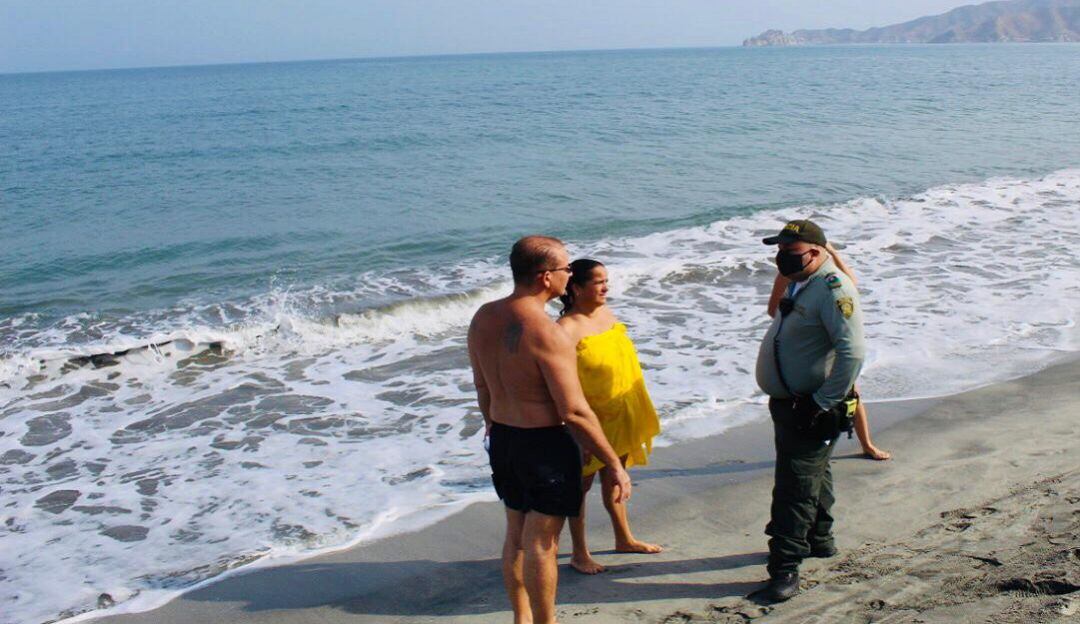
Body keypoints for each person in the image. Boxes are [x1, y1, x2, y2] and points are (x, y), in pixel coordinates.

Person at [468, 236, 632, 624]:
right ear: (545, 277)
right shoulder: (547, 332)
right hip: (544, 446)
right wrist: (613, 463)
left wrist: (495, 427)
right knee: (542, 544)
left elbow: (482, 389)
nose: (570, 275)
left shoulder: (483, 316)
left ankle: (521, 619)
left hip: (504, 440)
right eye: (566, 269)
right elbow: (574, 410)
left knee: (515, 536)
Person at [754, 219, 866, 602]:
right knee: (816, 470)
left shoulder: (833, 289)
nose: (781, 258)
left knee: (794, 487)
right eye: (779, 250)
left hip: (809, 405)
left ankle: (784, 567)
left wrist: (820, 403)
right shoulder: (803, 279)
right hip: (793, 402)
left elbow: (852, 353)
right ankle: (820, 538)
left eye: (790, 251)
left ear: (817, 252)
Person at [556, 258, 662, 575]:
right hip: (590, 420)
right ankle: (579, 552)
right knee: (579, 487)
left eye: (607, 281)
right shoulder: (565, 329)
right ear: (575, 287)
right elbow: (561, 383)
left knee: (615, 477)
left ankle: (623, 538)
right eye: (598, 281)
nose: (605, 287)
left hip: (622, 410)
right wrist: (574, 429)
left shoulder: (605, 313)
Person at [766, 243, 890, 461]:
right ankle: (846, 446)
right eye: (781, 249)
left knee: (851, 392)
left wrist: (832, 252)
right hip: (807, 344)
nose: (783, 254)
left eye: (788, 249)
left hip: (830, 339)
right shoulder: (790, 273)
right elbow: (772, 310)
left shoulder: (826, 277)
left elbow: (851, 284)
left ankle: (866, 444)